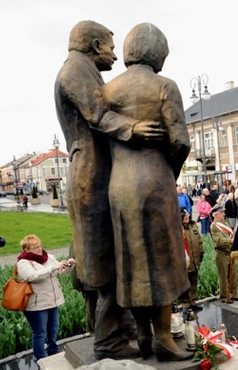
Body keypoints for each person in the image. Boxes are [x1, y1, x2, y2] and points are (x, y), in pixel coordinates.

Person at [55, 20, 164, 360]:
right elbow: (98, 114)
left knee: (114, 261)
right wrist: (135, 129)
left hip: (98, 174)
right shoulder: (75, 69)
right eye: (111, 47)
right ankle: (108, 341)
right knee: (105, 267)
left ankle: (124, 329)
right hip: (92, 176)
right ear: (95, 44)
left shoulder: (83, 68)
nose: (115, 55)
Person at [102, 23, 192, 362]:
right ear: (157, 52)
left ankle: (142, 333)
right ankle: (164, 337)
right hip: (155, 181)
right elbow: (180, 140)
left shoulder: (108, 91)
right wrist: (170, 171)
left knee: (132, 261)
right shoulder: (164, 86)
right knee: (164, 259)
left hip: (119, 185)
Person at [17, 235, 75, 362]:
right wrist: (52, 268)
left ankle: (53, 352)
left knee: (53, 330)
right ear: (26, 249)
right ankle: (41, 358)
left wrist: (69, 265)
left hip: (52, 300)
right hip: (36, 304)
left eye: (39, 246)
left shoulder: (48, 257)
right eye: (35, 247)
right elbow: (32, 276)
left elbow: (59, 272)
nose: (39, 249)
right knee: (40, 333)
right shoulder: (23, 262)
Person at [210, 205, 238, 303]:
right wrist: (230, 241)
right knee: (223, 276)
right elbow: (219, 240)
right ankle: (224, 296)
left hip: (230, 252)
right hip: (221, 253)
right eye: (222, 212)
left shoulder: (225, 223)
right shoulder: (215, 226)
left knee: (233, 274)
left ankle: (234, 293)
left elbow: (231, 234)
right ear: (216, 214)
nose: (224, 214)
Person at [179, 208, 204, 312]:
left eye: (188, 215)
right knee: (185, 284)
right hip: (184, 262)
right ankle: (185, 304)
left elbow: (199, 241)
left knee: (193, 282)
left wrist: (201, 253)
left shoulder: (193, 226)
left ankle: (193, 302)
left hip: (195, 261)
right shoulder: (178, 228)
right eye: (184, 216)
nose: (187, 217)